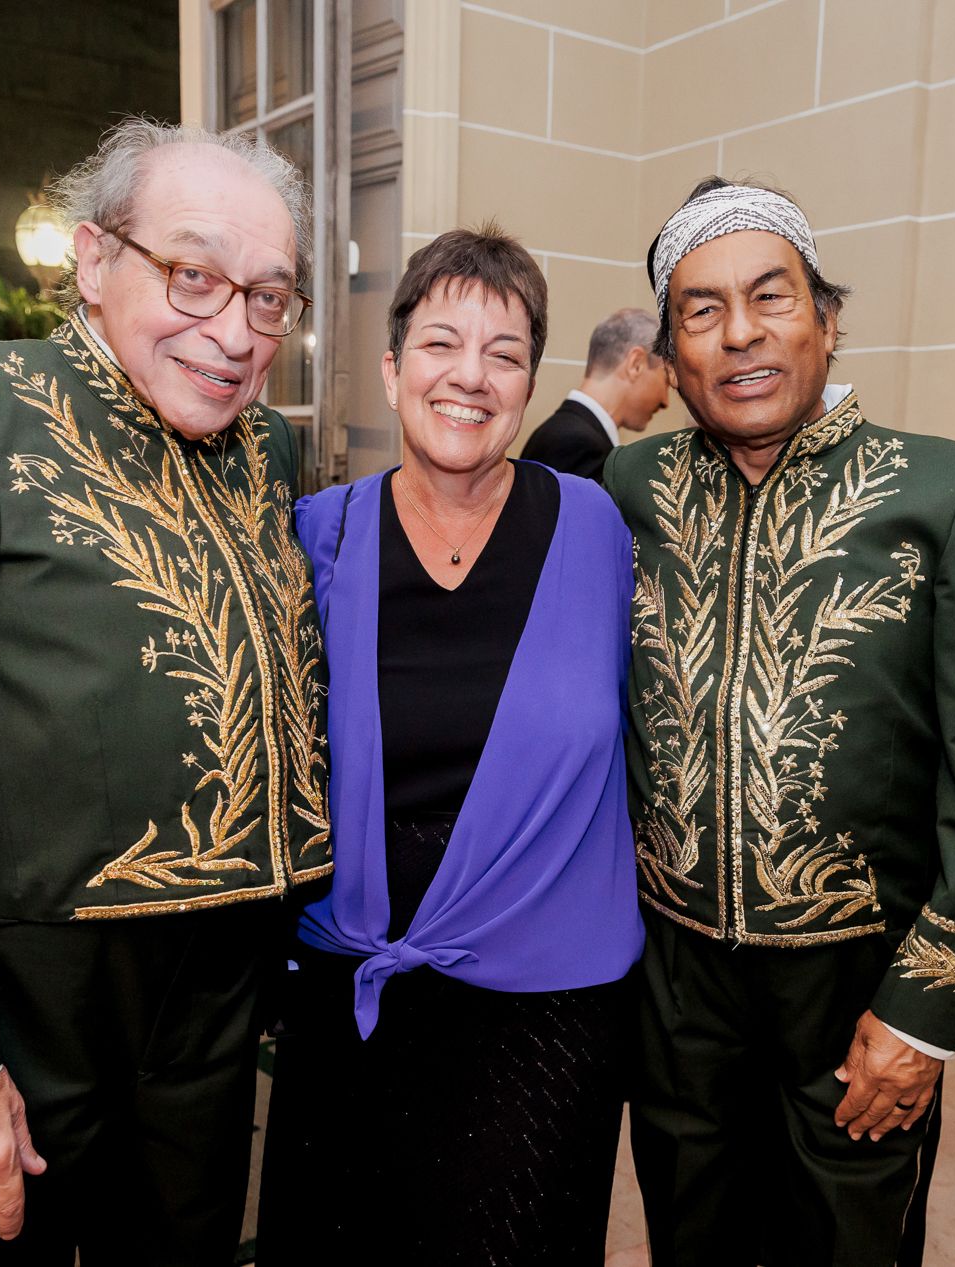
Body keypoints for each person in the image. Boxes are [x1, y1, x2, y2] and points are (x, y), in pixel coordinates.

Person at [0, 120, 330, 1264]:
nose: (233, 332)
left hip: (211, 1011)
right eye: (193, 277)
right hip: (16, 1007)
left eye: (268, 298)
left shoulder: (267, 451)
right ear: (92, 258)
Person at [604, 177, 955, 1267]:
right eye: (701, 311)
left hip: (858, 987)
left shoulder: (950, 496)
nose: (741, 332)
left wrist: (926, 1011)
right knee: (688, 1236)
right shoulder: (624, 487)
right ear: (670, 353)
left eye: (772, 296)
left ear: (827, 318)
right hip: (673, 990)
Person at [255, 224, 644, 1264]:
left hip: (546, 1005)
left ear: (529, 383)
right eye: (439, 343)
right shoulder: (316, 536)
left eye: (504, 352)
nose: (469, 375)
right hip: (349, 992)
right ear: (390, 370)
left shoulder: (598, 529)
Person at [521, 306, 670, 479]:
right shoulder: (578, 445)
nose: (665, 401)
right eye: (666, 380)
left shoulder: (563, 433)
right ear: (636, 364)